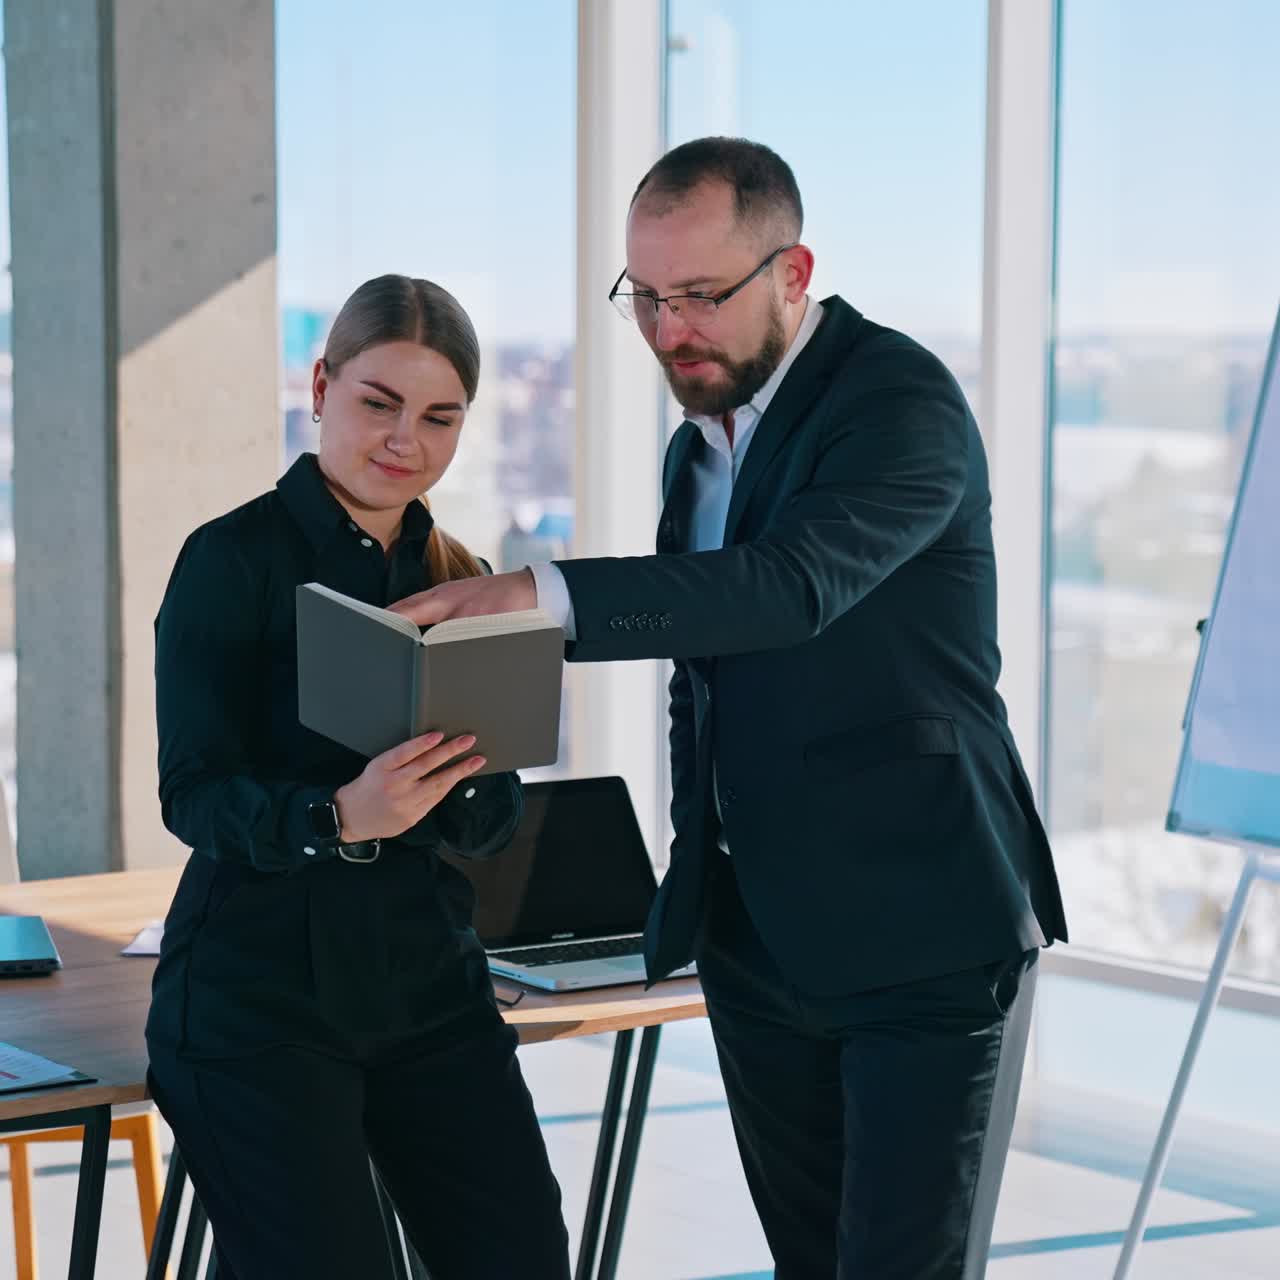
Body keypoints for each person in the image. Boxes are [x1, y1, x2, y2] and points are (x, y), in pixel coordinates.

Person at [394, 139, 1069, 1279]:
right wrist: (695, 883)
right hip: (758, 940)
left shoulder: (895, 401)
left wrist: (537, 592)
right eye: (646, 298)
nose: (669, 332)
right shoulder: (694, 449)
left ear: (791, 271)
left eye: (701, 296)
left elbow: (787, 589)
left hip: (921, 934)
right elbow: (696, 678)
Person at [145, 275, 571, 1280]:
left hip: (428, 992)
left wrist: (462, 786)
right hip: (257, 1004)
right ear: (321, 383)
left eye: (438, 416)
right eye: (378, 402)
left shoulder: (466, 574)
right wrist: (339, 814)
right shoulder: (229, 559)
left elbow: (491, 813)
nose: (404, 440)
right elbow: (191, 789)